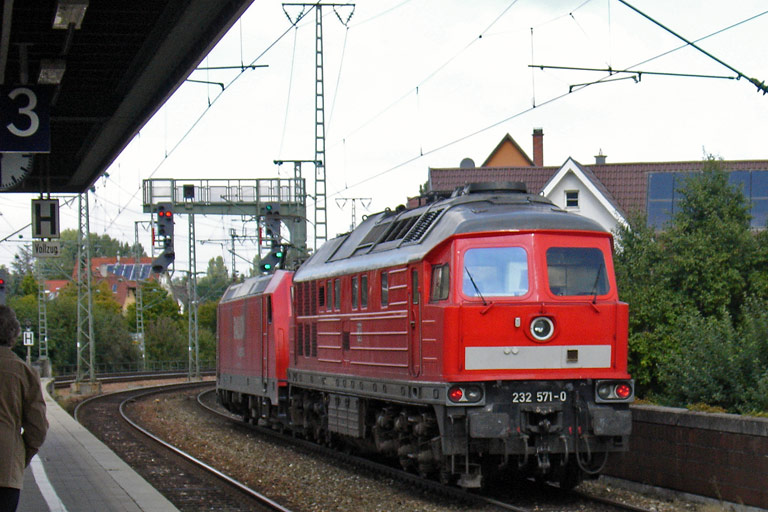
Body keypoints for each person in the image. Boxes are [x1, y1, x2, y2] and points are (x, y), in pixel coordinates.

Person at [0, 305, 48, 512]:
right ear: (14, 333)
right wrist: (21, 455)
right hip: (6, 468)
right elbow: (38, 428)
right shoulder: (24, 372)